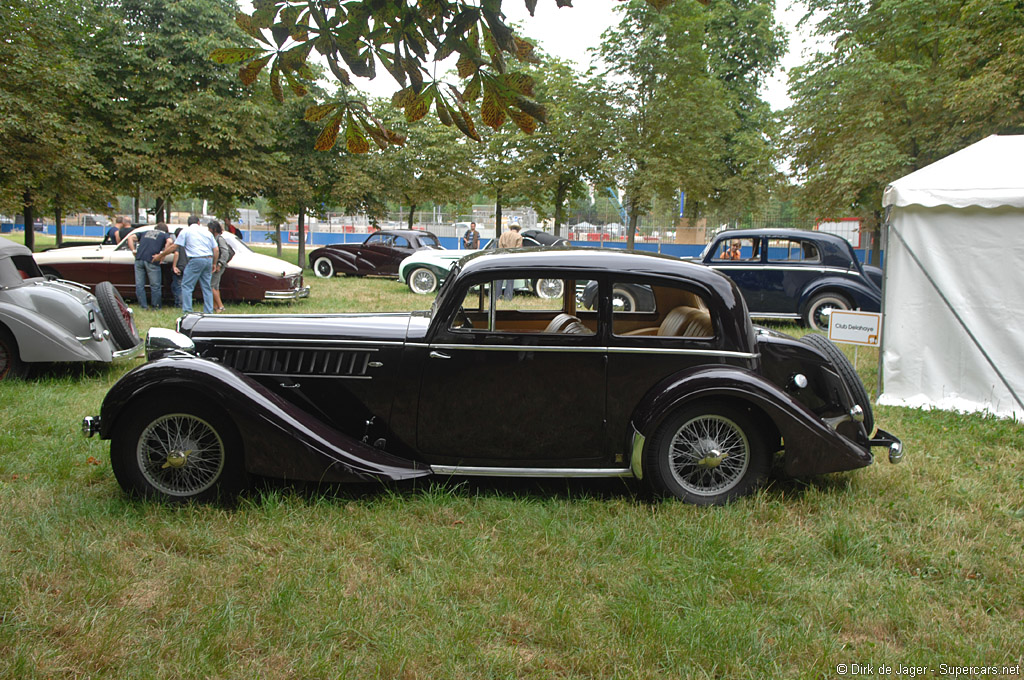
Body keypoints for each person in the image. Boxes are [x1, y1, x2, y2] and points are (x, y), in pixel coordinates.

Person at [174, 216, 219, 314]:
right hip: (208, 259)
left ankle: (187, 310)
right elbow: (216, 249)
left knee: (187, 285)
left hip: (195, 259)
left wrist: (161, 255)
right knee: (206, 286)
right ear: (198, 222)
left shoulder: (186, 231)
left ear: (188, 223)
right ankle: (208, 311)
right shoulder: (207, 233)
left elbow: (175, 246)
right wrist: (214, 263)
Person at [126, 222, 174, 309]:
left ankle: (143, 306)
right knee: (155, 286)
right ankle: (156, 306)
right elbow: (170, 242)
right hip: (152, 260)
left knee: (140, 285)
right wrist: (162, 255)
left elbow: (130, 237)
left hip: (139, 258)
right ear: (166, 230)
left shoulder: (146, 232)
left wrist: (133, 250)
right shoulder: (164, 234)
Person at [208, 220, 233, 312]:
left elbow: (225, 252)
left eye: (209, 228)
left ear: (214, 229)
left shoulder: (219, 239)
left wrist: (219, 264)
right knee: (215, 286)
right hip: (217, 264)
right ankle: (216, 306)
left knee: (211, 286)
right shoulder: (215, 238)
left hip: (219, 265)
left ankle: (220, 306)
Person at [497, 224, 523, 300]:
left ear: (511, 228)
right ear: (518, 230)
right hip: (512, 259)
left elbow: (500, 247)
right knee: (510, 280)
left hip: (502, 258)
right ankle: (508, 297)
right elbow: (517, 249)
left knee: (499, 279)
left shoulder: (503, 235)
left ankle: (497, 296)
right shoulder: (518, 237)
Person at [171, 226, 188, 307]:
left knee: (178, 286)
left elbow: (176, 253)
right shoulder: (189, 242)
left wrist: (174, 266)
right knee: (186, 286)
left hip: (180, 266)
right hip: (188, 266)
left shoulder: (178, 243)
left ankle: (179, 303)